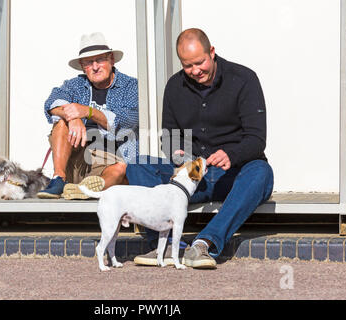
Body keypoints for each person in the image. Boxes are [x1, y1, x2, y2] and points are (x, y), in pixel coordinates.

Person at [128, 28, 274, 269]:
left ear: (212, 52)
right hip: (191, 176)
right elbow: (169, 135)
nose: (195, 71)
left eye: (200, 62)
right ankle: (163, 246)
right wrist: (178, 155)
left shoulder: (244, 78)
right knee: (137, 165)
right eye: (188, 66)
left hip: (233, 174)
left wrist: (232, 154)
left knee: (261, 172)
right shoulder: (174, 86)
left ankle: (204, 243)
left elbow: (257, 139)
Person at [37, 32, 139, 199]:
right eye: (88, 62)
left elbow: (128, 120)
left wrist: (88, 111)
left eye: (100, 60)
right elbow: (51, 103)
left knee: (120, 168)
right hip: (77, 158)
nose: (95, 66)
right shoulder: (75, 85)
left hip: (111, 160)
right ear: (83, 66)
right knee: (61, 122)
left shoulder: (130, 86)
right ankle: (59, 179)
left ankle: (87, 191)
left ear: (111, 59)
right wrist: (74, 117)